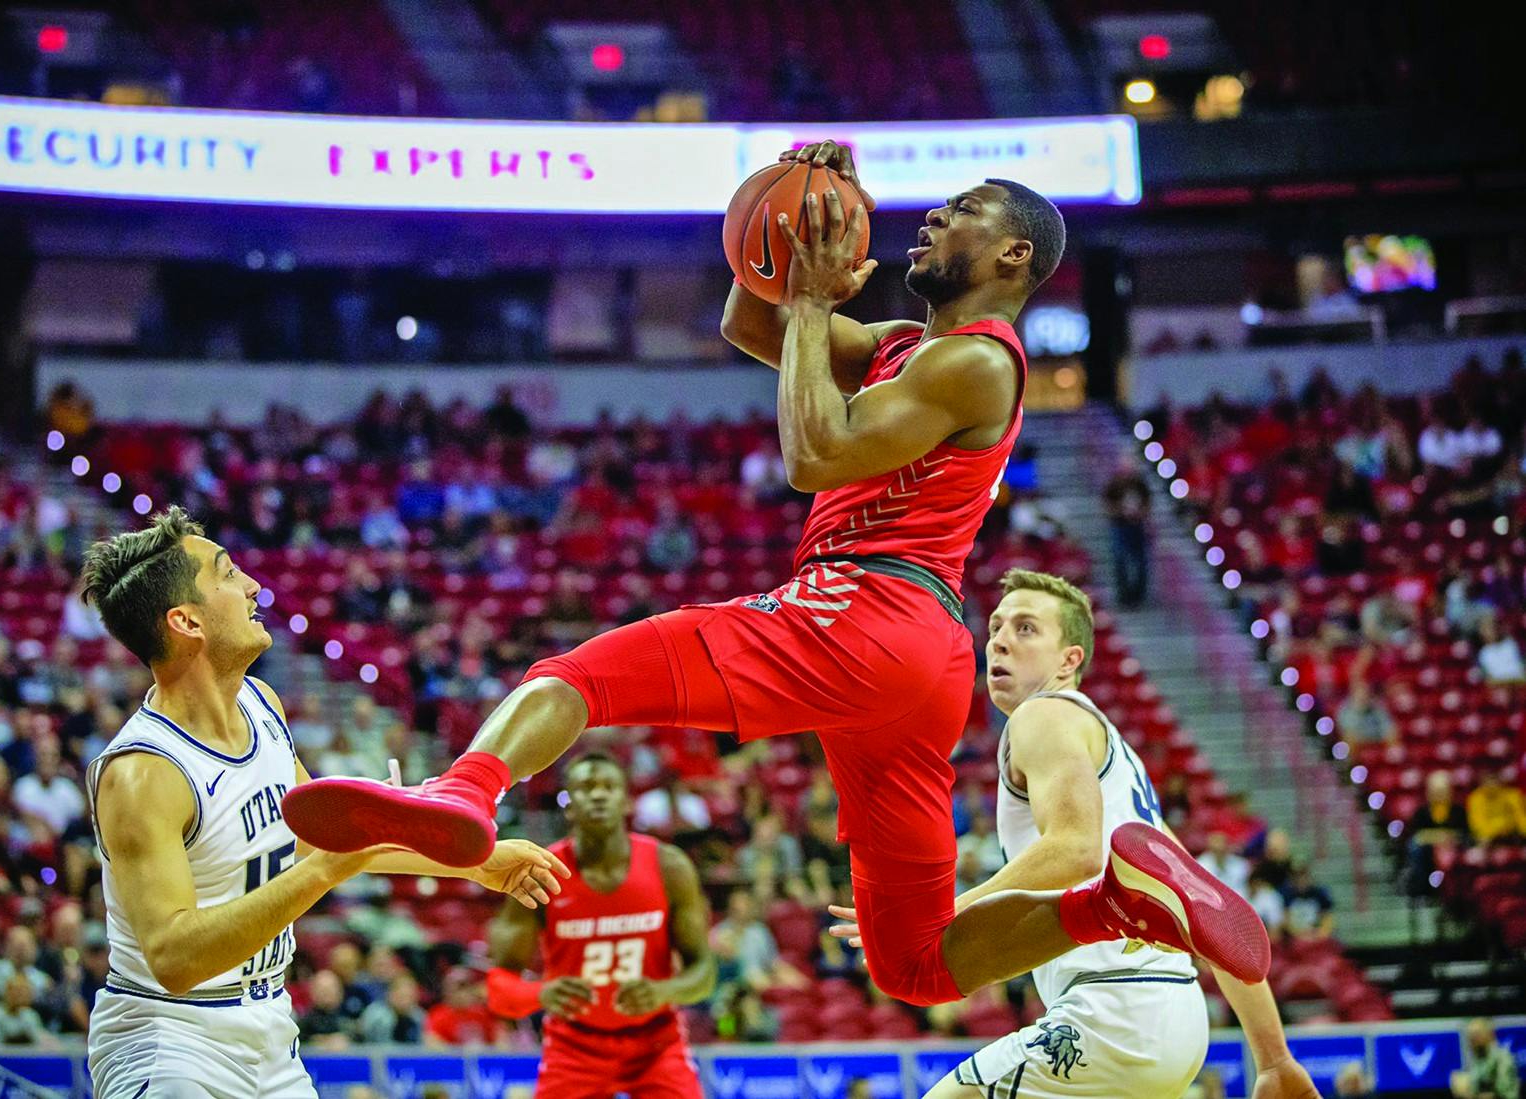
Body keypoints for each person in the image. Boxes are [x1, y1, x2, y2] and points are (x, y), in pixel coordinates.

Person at [286, 145, 1256, 1007]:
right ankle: (1126, 903)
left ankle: (465, 791)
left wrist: (809, 302)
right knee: (912, 966)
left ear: (1014, 258)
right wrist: (787, 227)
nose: (931, 218)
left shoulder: (974, 363)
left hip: (863, 607)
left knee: (581, 676)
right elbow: (750, 323)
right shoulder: (905, 347)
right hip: (917, 662)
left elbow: (816, 454)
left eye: (962, 209)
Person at [77, 507, 569, 1097]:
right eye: (229, 575)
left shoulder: (262, 704)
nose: (254, 586)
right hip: (169, 1037)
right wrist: (325, 870)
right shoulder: (144, 773)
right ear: (186, 621)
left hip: (269, 1025)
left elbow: (322, 836)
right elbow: (175, 958)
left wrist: (474, 862)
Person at [830, 571, 1312, 1099]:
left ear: (1069, 660)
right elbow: (1215, 915)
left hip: (1111, 1013)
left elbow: (1075, 851)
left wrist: (945, 911)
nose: (999, 639)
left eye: (1027, 628)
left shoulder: (1044, 715)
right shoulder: (1120, 764)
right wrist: (1273, 1058)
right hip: (1177, 1019)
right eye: (995, 626)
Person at [487, 752, 714, 1098]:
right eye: (586, 787)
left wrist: (664, 991)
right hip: (574, 1046)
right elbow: (498, 989)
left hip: (656, 1043)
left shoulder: (669, 866)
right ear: (568, 806)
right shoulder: (540, 873)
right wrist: (541, 993)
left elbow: (704, 972)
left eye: (609, 786)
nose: (598, 794)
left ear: (625, 802)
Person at [1102, 456, 1152, 608]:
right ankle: (1124, 595)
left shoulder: (1140, 484)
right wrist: (1121, 512)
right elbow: (1107, 506)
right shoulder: (1114, 485)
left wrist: (1139, 513)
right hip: (1120, 527)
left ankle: (1139, 595)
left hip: (1137, 527)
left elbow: (1148, 503)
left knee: (1141, 562)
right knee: (1120, 559)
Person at [1450, 1016, 1520, 1099]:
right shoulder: (1478, 1059)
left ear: (1489, 1035)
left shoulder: (1502, 1058)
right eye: (1470, 1035)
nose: (1472, 1039)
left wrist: (1468, 1093)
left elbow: (1503, 1094)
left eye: (1476, 1035)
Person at [1467, 769, 1526, 846]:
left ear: (1500, 782)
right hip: (1489, 837)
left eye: (1494, 782)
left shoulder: (1512, 795)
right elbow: (1477, 825)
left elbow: (1521, 817)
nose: (1491, 785)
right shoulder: (1475, 798)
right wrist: (1498, 828)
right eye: (1488, 782)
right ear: (1482, 783)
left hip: (1512, 834)